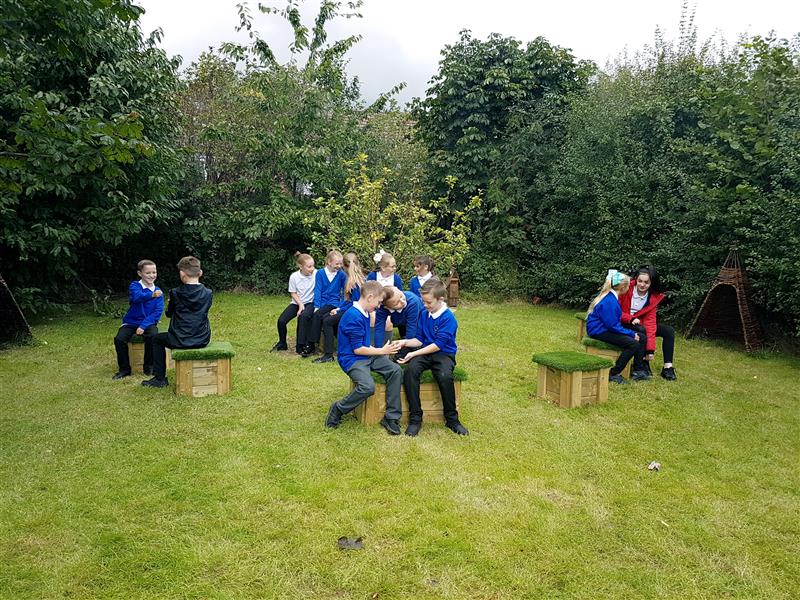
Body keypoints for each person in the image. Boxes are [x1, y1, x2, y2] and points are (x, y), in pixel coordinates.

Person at [325, 280, 404, 435]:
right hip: (352, 359)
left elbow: (364, 344)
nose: (379, 306)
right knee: (368, 387)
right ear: (369, 297)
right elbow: (358, 349)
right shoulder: (353, 317)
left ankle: (391, 417)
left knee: (396, 370)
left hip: (367, 354)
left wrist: (379, 350)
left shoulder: (365, 312)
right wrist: (382, 351)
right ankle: (338, 408)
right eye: (379, 302)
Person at [398, 279, 468, 437]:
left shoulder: (449, 318)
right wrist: (404, 342)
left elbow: (438, 345)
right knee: (410, 371)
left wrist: (413, 353)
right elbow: (420, 340)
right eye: (423, 301)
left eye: (428, 302)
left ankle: (452, 419)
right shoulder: (424, 313)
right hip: (425, 351)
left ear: (440, 299)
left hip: (444, 353)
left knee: (444, 375)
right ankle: (415, 418)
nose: (425, 305)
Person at [142, 256, 212, 388]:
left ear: (182, 274)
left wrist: (170, 304)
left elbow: (169, 314)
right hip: (202, 339)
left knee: (156, 339)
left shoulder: (175, 292)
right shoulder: (208, 293)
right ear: (200, 273)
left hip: (179, 339)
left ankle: (159, 378)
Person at [585, 269, 649, 384]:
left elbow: (613, 324)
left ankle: (638, 370)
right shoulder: (610, 301)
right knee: (633, 343)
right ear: (623, 287)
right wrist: (631, 334)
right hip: (599, 331)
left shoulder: (612, 297)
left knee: (642, 337)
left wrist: (632, 333)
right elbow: (612, 326)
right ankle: (613, 373)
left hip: (605, 328)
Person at [619, 265, 677, 380]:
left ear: (651, 283)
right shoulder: (625, 288)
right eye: (640, 281)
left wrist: (650, 349)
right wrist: (630, 318)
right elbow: (616, 311)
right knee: (641, 329)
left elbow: (650, 322)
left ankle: (667, 367)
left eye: (646, 282)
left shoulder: (652, 297)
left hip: (641, 324)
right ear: (636, 279)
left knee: (668, 331)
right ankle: (641, 364)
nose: (642, 285)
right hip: (624, 321)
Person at [112, 259, 164, 379]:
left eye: (154, 272)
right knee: (119, 339)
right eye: (148, 273)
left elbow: (157, 313)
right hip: (131, 321)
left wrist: (143, 326)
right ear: (140, 273)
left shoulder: (158, 292)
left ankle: (149, 367)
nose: (152, 275)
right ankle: (124, 369)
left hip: (148, 323)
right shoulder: (135, 285)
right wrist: (151, 295)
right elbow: (136, 298)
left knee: (153, 336)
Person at [315, 252, 365, 364]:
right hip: (351, 309)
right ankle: (342, 348)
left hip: (355, 312)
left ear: (345, 266)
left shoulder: (355, 282)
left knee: (327, 321)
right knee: (328, 317)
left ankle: (328, 354)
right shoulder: (353, 278)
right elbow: (348, 301)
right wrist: (338, 309)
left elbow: (355, 303)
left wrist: (340, 310)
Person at [303, 250, 345, 357]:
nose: (339, 266)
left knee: (318, 315)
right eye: (337, 263)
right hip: (322, 302)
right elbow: (318, 290)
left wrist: (340, 306)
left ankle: (311, 344)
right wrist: (317, 306)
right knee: (315, 314)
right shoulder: (320, 273)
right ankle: (313, 343)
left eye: (340, 263)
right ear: (329, 262)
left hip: (334, 303)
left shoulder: (341, 275)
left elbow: (345, 292)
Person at [272, 252, 316, 354]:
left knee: (302, 317)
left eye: (313, 265)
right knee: (281, 321)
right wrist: (300, 305)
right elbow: (293, 293)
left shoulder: (317, 274)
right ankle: (282, 343)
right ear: (300, 266)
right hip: (297, 303)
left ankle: (300, 345)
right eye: (309, 266)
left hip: (310, 302)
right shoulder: (294, 277)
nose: (312, 268)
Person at [374, 285, 422, 360]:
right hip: (401, 322)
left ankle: (417, 351)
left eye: (401, 296)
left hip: (420, 321)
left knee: (412, 344)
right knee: (403, 335)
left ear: (397, 289)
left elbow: (412, 327)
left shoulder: (412, 302)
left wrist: (405, 343)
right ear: (386, 307)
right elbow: (379, 328)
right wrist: (379, 349)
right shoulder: (382, 308)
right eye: (397, 303)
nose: (403, 301)